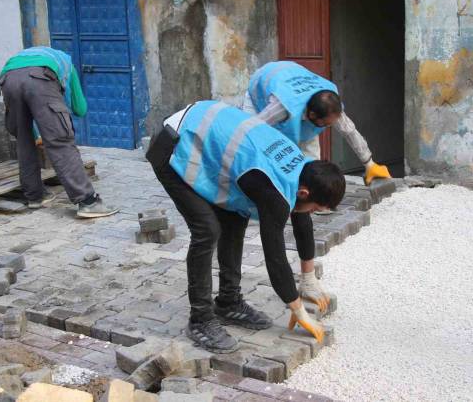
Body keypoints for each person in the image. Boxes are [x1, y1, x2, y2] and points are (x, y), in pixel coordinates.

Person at [147, 100, 345, 353]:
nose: (313, 214)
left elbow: (303, 223)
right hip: (173, 146)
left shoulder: (301, 170)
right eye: (317, 208)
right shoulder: (275, 191)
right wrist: (297, 309)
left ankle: (228, 302)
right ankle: (200, 320)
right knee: (207, 230)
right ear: (305, 192)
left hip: (203, 132)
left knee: (235, 216)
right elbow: (275, 258)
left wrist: (308, 279)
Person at [242, 60, 392, 313]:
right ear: (311, 116)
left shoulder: (329, 104)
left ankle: (308, 279)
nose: (326, 129)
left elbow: (349, 130)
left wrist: (369, 162)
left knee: (306, 194)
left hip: (296, 106)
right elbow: (249, 132)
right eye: (323, 125)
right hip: (259, 107)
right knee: (288, 188)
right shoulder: (279, 108)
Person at [0, 46, 118, 218]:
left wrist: (37, 135)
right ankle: (88, 202)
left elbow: (24, 126)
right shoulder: (67, 65)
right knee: (60, 140)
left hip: (8, 78)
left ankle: (35, 197)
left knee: (23, 140)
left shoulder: (25, 57)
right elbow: (80, 108)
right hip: (40, 78)